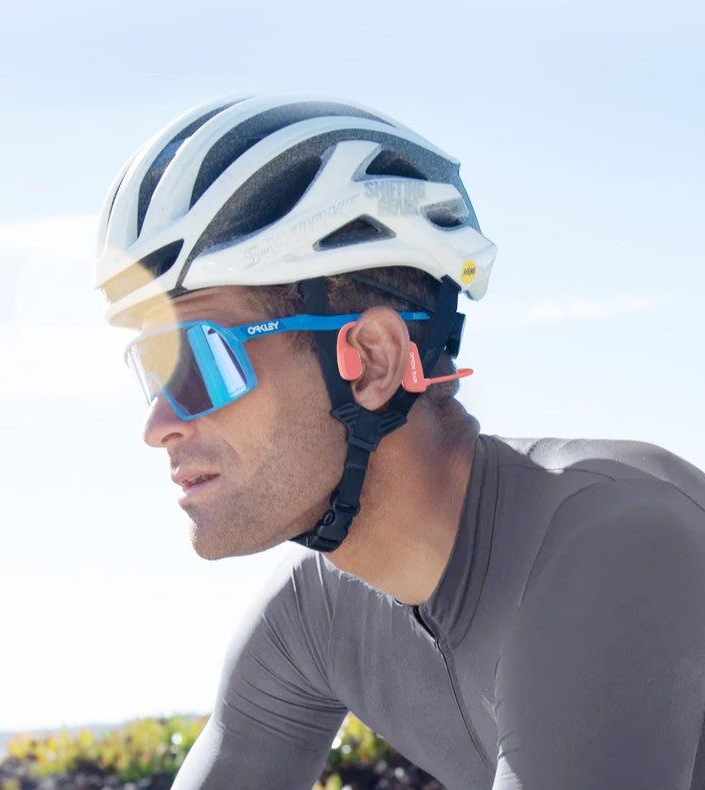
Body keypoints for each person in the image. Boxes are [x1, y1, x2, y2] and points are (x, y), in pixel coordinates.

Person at [94, 96, 705, 789]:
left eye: (200, 364)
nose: (158, 426)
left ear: (374, 361)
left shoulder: (618, 544)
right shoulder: (316, 611)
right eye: (154, 372)